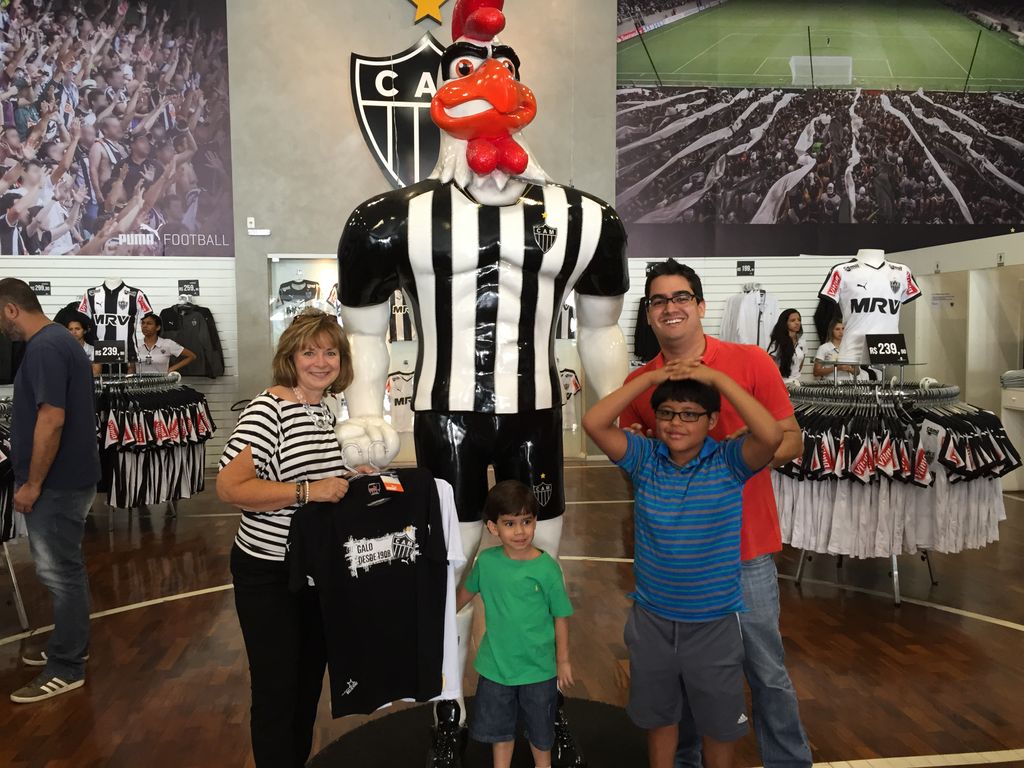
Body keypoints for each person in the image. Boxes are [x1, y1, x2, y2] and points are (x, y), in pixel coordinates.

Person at [618, 260, 812, 768]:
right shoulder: (641, 383)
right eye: (658, 300)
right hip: (677, 565)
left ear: (701, 306)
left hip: (745, 550)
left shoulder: (750, 362)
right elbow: (636, 463)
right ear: (649, 314)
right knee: (679, 677)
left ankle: (788, 762)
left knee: (766, 671)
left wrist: (741, 454)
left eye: (680, 297)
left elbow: (791, 440)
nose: (670, 308)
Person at [585, 356, 783, 768]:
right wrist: (652, 378)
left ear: (712, 421)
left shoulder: (729, 462)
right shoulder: (644, 458)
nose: (676, 423)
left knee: (719, 727)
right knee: (660, 721)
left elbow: (771, 433)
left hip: (713, 625)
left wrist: (717, 378)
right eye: (667, 413)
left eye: (690, 414)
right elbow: (594, 422)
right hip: (652, 622)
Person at [216, 310, 363, 767]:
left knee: (305, 686)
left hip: (313, 570)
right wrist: (308, 491)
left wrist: (351, 478)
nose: (321, 362)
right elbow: (230, 487)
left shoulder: (323, 409)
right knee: (277, 690)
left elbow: (318, 476)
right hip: (269, 572)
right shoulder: (270, 409)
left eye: (330, 352)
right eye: (309, 352)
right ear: (290, 357)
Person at [0, 278, 100, 704]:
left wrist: (33, 483)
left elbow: (52, 418)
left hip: (56, 483)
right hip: (67, 479)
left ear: (10, 309)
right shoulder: (60, 340)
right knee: (65, 569)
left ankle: (67, 665)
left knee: (60, 573)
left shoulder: (45, 347)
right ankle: (70, 645)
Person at [456, 480, 574, 768]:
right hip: (496, 669)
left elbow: (560, 616)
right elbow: (461, 598)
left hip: (539, 669)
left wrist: (563, 660)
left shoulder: (547, 569)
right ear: (493, 527)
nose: (520, 531)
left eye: (526, 521)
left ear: (535, 522)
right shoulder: (486, 563)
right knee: (500, 731)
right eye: (510, 523)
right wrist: (435, 619)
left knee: (541, 732)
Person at [767, 309, 805, 385]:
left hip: (796, 382)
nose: (797, 323)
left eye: (799, 320)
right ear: (785, 323)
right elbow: (769, 364)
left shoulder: (802, 342)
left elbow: (800, 362)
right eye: (793, 320)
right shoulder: (777, 343)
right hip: (781, 383)